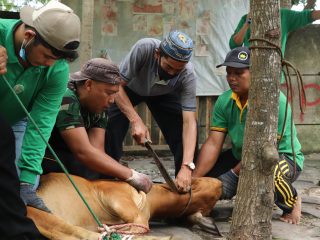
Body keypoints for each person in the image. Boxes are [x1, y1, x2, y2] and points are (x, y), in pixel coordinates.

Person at [193, 47, 303, 225]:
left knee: (269, 171)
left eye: (238, 73)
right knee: (206, 180)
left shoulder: (275, 101)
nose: (231, 78)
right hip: (240, 155)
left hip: (281, 157)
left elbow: (262, 152)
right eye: (228, 73)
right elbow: (213, 143)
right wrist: (195, 179)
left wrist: (232, 176)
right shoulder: (224, 100)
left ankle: (292, 201)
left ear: (256, 73)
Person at [0, 0, 80, 216]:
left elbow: (41, 123)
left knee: (15, 187)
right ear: (29, 36)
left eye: (56, 60)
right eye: (47, 56)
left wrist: (26, 181)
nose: (50, 65)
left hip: (15, 123)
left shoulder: (57, 69)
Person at [105, 30, 198, 193]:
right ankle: (107, 179)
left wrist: (187, 166)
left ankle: (183, 186)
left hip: (164, 94)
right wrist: (135, 120)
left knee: (182, 129)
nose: (171, 73)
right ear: (157, 54)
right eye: (168, 66)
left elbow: (189, 122)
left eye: (177, 70)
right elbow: (117, 85)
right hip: (129, 88)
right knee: (110, 124)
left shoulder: (188, 74)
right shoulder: (145, 48)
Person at [42, 58, 152, 193]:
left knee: (105, 170)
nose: (112, 100)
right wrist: (131, 175)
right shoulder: (66, 95)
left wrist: (121, 172)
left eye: (115, 94)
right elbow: (83, 152)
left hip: (70, 151)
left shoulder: (100, 104)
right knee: (81, 166)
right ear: (88, 85)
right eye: (109, 93)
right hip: (42, 151)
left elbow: (97, 151)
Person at [229, 8, 320, 54]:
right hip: (249, 71)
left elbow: (308, 15)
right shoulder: (245, 18)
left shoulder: (284, 15)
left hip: (275, 75)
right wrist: (247, 23)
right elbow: (234, 45)